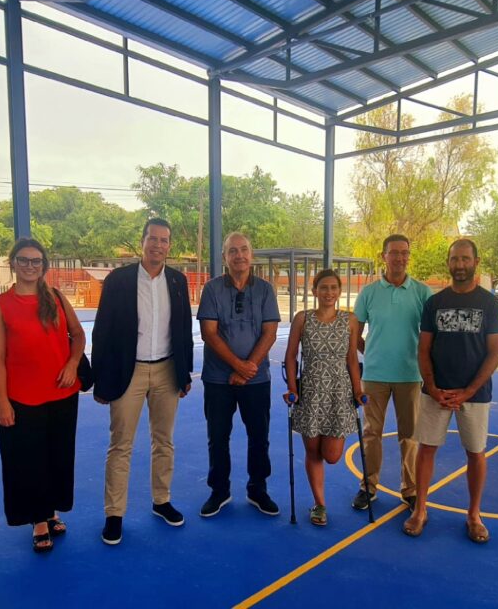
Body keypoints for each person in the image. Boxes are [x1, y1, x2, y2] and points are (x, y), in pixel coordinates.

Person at [91, 218, 194, 546]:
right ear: (143, 241)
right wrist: (100, 380)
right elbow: (102, 331)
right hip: (128, 372)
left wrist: (185, 372)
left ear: (169, 245)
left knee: (164, 441)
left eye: (164, 240)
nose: (158, 245)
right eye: (153, 238)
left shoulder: (177, 281)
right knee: (121, 445)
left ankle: (161, 501)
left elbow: (184, 330)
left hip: (167, 370)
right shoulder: (118, 280)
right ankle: (114, 514)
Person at [0, 237, 85, 553]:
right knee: (29, 461)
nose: (30, 266)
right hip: (22, 398)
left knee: (58, 457)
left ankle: (51, 510)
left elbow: (78, 335)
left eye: (36, 261)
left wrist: (72, 363)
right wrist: (2, 401)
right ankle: (38, 520)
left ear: (43, 266)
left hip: (62, 393)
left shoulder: (56, 297)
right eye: (24, 260)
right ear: (13, 263)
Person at [403, 239, 498, 543]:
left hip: (475, 394)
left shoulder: (491, 305)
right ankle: (420, 509)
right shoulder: (434, 303)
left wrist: (468, 391)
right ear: (448, 263)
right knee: (427, 449)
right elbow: (424, 349)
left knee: (476, 452)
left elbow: (495, 353)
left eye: (465, 259)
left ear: (476, 262)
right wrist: (433, 388)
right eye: (454, 259)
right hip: (436, 392)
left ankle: (474, 515)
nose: (459, 265)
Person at [197, 232, 281, 518]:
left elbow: (270, 333)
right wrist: (237, 365)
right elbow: (209, 333)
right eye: (232, 251)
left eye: (244, 249)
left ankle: (258, 489)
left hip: (256, 379)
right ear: (224, 257)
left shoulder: (266, 290)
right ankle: (219, 491)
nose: (239, 255)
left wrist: (248, 369)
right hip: (217, 380)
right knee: (217, 437)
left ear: (251, 254)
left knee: (259, 436)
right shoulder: (211, 289)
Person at [351, 234, 432, 512]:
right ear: (383, 256)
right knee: (371, 433)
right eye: (394, 252)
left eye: (404, 252)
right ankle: (368, 486)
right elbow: (355, 333)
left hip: (410, 375)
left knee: (409, 435)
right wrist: (371, 353)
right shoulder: (369, 293)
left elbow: (431, 336)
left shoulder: (423, 293)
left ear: (409, 256)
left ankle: (410, 489)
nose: (399, 258)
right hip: (374, 376)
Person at [283, 269, 363, 526]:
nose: (329, 293)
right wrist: (293, 388)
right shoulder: (302, 318)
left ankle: (319, 501)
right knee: (312, 451)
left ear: (339, 291)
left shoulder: (350, 320)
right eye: (324, 288)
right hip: (311, 391)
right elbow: (290, 356)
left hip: (339, 392)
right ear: (314, 291)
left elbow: (352, 359)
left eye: (333, 288)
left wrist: (358, 390)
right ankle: (319, 504)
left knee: (332, 455)